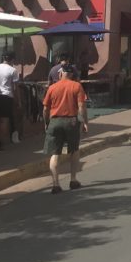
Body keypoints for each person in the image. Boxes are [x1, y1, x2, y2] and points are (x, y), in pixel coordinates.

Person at [40, 65, 88, 194]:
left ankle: (56, 184)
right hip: (72, 121)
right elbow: (81, 106)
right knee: (74, 150)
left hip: (55, 121)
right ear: (72, 75)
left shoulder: (52, 87)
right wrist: (84, 121)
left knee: (55, 153)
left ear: (61, 74)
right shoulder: (77, 86)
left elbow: (45, 109)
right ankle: (73, 180)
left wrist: (46, 122)